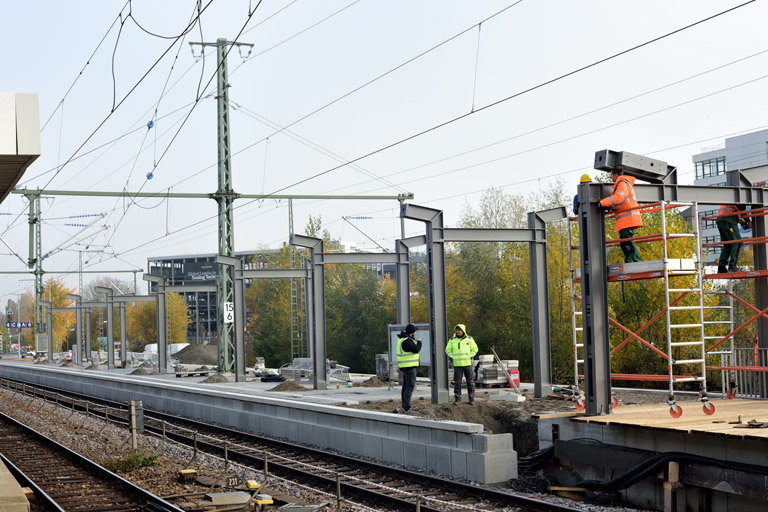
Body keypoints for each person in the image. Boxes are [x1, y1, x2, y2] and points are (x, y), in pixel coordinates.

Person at [599, 167, 643, 263]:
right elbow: (618, 201)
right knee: (625, 241)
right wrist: (608, 205)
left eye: (611, 175)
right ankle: (632, 260)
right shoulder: (622, 183)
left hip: (628, 218)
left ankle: (634, 260)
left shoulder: (622, 183)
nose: (610, 177)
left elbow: (619, 197)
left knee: (626, 240)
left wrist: (603, 203)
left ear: (615, 174)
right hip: (627, 218)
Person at [445, 324, 478, 405]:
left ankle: (471, 398)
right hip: (457, 365)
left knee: (470, 382)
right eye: (456, 330)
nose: (458, 331)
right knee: (457, 383)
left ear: (463, 331)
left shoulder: (469, 339)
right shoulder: (452, 340)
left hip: (467, 364)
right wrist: (452, 356)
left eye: (459, 330)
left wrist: (469, 355)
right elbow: (447, 350)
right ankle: (457, 399)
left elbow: (475, 349)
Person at [395, 323, 422, 414]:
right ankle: (407, 407)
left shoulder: (402, 339)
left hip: (404, 367)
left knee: (405, 387)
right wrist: (419, 342)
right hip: (409, 367)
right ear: (412, 332)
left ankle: (404, 406)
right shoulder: (407, 341)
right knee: (410, 387)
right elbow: (416, 349)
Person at [716, 204, 748, 273]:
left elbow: (737, 211)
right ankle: (732, 266)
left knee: (727, 245)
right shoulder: (739, 199)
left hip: (720, 221)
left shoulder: (729, 199)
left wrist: (743, 223)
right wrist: (748, 220)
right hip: (729, 221)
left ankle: (721, 267)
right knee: (737, 242)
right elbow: (741, 209)